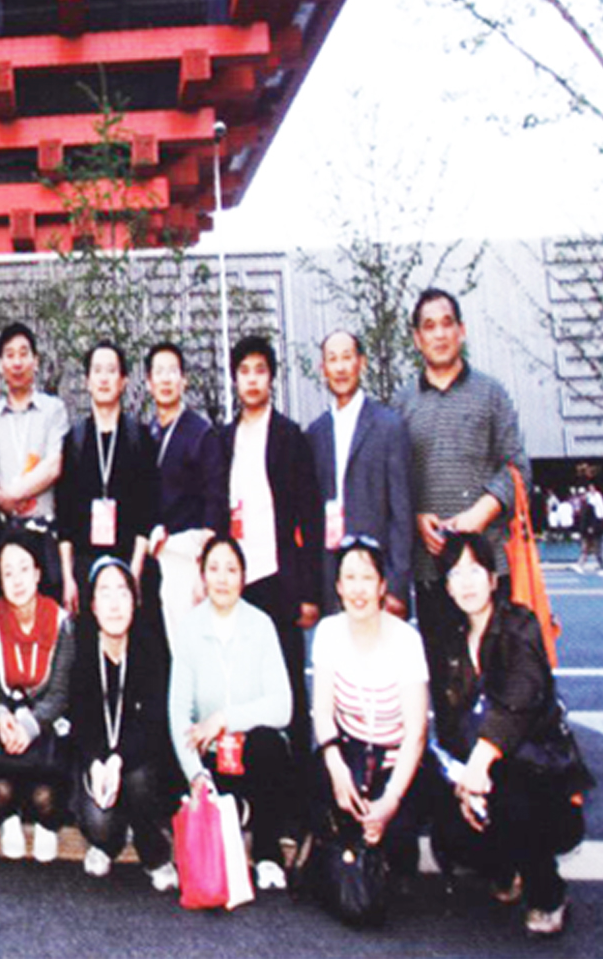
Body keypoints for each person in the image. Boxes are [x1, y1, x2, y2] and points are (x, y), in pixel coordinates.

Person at [430, 533, 593, 938]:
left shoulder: (520, 625)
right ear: (446, 587)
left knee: (510, 793)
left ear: (492, 578)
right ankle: (503, 867)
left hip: (542, 783)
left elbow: (519, 698)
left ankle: (547, 894)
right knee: (447, 830)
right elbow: (451, 727)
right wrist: (461, 784)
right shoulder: (449, 642)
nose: (466, 582)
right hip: (481, 781)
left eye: (474, 571)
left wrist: (480, 763)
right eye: (455, 574)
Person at [392, 288, 530, 666]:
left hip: (489, 565)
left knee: (500, 673)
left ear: (461, 331)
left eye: (447, 324)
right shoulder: (402, 403)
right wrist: (416, 516)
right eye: (429, 326)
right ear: (417, 338)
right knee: (445, 679)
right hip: (431, 570)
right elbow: (395, 482)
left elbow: (518, 466)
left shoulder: (491, 394)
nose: (439, 334)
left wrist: (481, 512)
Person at [169, 533, 296, 891]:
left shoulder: (261, 625)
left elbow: (283, 706)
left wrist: (225, 719)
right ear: (202, 575)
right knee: (170, 753)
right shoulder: (190, 629)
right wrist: (195, 773)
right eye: (214, 569)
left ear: (243, 576)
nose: (222, 579)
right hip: (208, 756)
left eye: (231, 569)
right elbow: (178, 710)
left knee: (271, 744)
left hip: (250, 753)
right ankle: (223, 818)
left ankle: (267, 855)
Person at [221, 334, 322, 756]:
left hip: (279, 578)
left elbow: (310, 518)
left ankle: (299, 782)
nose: (252, 380)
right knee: (242, 686)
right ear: (234, 380)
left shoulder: (289, 436)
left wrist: (310, 592)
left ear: (271, 378)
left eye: (260, 371)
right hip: (236, 582)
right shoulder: (224, 438)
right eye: (244, 371)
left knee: (288, 685)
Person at [310, 536, 428, 891]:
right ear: (338, 586)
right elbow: (323, 712)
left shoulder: (406, 640)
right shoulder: (328, 631)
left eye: (367, 578)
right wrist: (336, 768)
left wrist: (390, 801)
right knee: (325, 799)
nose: (358, 589)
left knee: (397, 835)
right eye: (349, 578)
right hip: (350, 754)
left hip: (395, 760)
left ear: (382, 586)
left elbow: (416, 733)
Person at [70, 556, 178, 892]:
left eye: (122, 592)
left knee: (139, 780)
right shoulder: (81, 647)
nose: (114, 604)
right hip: (99, 761)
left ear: (135, 600)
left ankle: (154, 853)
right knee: (98, 821)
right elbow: (80, 720)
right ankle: (110, 842)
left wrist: (119, 759)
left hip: (139, 762)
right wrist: (95, 762)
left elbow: (154, 722)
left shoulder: (150, 648)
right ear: (92, 604)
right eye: (104, 593)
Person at [304, 330, 414, 615]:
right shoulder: (315, 433)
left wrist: (397, 586)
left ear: (361, 363)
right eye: (332, 359)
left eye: (347, 357)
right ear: (323, 369)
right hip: (332, 576)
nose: (340, 367)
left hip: (376, 575)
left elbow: (402, 513)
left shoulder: (389, 426)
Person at [0, 529, 75, 864]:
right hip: (7, 729)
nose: (17, 580)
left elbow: (60, 694)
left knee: (45, 798)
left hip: (45, 727)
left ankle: (45, 824)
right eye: (7, 572)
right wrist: (1, 718)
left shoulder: (60, 621)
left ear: (38, 573)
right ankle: (9, 817)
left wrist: (29, 725)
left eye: (24, 569)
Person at [58, 342, 155, 616]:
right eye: (97, 370)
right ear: (87, 381)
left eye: (111, 371)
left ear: (123, 381)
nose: (103, 378)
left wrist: (134, 572)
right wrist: (68, 578)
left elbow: (147, 513)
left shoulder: (140, 438)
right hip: (84, 565)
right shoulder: (75, 440)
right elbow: (64, 517)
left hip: (127, 561)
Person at [143, 341, 227, 640]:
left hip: (188, 553)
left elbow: (216, 498)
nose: (166, 379)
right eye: (159, 372)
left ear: (184, 380)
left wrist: (206, 565)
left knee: (189, 644)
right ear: (149, 382)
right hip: (155, 551)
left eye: (173, 371)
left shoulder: (201, 433)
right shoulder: (146, 434)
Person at [0, 321, 70, 598]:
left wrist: (13, 495)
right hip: (5, 537)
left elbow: (54, 465)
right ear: (0, 365)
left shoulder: (53, 410)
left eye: (24, 353)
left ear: (36, 361)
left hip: (44, 534)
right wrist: (0, 498)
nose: (17, 362)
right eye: (10, 355)